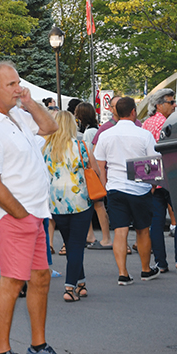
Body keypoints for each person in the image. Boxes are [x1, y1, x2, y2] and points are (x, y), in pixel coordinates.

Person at [0, 61, 75, 354]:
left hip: (36, 213)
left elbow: (50, 127)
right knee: (13, 282)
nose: (18, 88)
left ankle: (39, 348)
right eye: (12, 84)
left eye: (19, 82)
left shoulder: (16, 114)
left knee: (41, 278)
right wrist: (21, 215)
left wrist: (29, 102)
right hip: (16, 215)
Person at [94, 96, 159, 285]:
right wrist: (152, 186)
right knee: (143, 230)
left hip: (115, 187)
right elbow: (153, 162)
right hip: (139, 188)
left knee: (120, 232)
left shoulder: (106, 135)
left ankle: (123, 273)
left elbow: (100, 163)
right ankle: (146, 270)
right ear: (133, 112)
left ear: (116, 112)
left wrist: (106, 185)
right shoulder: (144, 134)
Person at [142, 89, 177, 276]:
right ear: (159, 105)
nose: (174, 105)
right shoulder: (170, 123)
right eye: (170, 102)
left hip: (154, 177)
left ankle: (161, 262)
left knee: (156, 222)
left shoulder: (146, 124)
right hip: (174, 175)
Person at [42, 111, 98, 302]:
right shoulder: (80, 146)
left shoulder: (46, 148)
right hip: (80, 201)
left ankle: (81, 283)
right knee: (76, 246)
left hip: (56, 203)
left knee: (71, 244)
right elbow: (95, 169)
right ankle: (69, 287)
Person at [75, 101, 112, 250]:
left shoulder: (90, 132)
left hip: (91, 172)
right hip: (94, 171)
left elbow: (91, 154)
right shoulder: (94, 129)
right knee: (96, 205)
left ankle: (103, 237)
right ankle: (95, 236)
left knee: (97, 205)